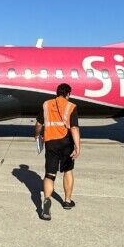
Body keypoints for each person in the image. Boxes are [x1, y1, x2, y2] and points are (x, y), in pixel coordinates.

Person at [33, 83, 81, 221]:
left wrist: (37, 135)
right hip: (66, 143)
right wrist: (77, 146)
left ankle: (47, 202)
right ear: (68, 94)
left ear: (57, 92)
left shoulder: (46, 104)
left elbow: (38, 125)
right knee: (67, 171)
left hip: (51, 143)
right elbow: (74, 128)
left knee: (49, 174)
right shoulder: (71, 106)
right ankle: (67, 201)